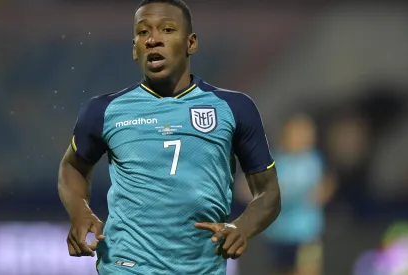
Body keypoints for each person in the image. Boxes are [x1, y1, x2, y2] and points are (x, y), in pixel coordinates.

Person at [57, 0, 281, 274]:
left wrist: (242, 227)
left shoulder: (233, 108)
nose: (153, 40)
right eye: (143, 33)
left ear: (191, 43)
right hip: (125, 265)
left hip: (200, 268)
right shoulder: (103, 111)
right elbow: (72, 167)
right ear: (134, 49)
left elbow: (268, 193)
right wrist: (80, 212)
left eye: (167, 29)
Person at [263, 114, 335, 275]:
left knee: (307, 269)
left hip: (307, 232)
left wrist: (322, 193)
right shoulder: (275, 160)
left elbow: (327, 182)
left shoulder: (314, 160)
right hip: (279, 232)